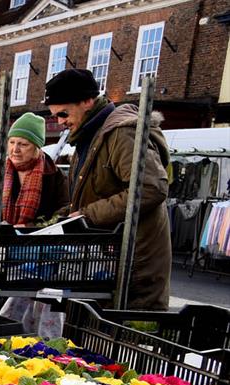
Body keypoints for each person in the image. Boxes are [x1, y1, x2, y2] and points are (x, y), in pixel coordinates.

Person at [45, 67, 171, 309]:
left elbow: (151, 188)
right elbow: (94, 192)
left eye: (63, 113)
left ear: (87, 101)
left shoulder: (122, 133)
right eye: (55, 116)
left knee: (126, 339)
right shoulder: (88, 137)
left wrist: (87, 214)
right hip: (104, 260)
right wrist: (65, 215)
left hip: (133, 263)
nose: (59, 122)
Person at [0, 112, 68, 226]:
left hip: (34, 241)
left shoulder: (55, 176)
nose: (15, 149)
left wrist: (30, 227)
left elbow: (64, 213)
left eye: (23, 144)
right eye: (12, 142)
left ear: (37, 147)